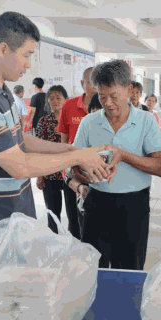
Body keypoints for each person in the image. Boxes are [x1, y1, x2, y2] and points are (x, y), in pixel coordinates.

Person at [0, 11, 110, 261]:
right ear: (3, 49)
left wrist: (70, 150)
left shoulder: (1, 93)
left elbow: (21, 140)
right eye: (26, 55)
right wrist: (78, 157)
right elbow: (19, 165)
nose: (28, 64)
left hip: (12, 218)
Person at [71, 59, 161, 270]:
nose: (107, 103)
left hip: (133, 206)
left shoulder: (146, 121)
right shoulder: (89, 123)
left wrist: (123, 155)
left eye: (113, 96)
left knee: (130, 267)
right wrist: (85, 174)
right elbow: (74, 166)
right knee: (94, 267)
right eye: (102, 96)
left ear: (129, 89)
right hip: (97, 203)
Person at [57, 67, 97, 239]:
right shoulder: (69, 106)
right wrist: (65, 171)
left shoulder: (107, 107)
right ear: (82, 84)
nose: (96, 87)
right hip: (73, 174)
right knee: (74, 222)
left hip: (97, 174)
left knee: (94, 224)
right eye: (91, 82)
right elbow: (63, 142)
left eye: (99, 83)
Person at [64, 93, 103, 237]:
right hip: (88, 203)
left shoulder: (117, 143)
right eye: (94, 113)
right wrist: (79, 186)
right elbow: (67, 175)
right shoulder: (81, 141)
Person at [36, 85, 69, 233]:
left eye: (58, 97)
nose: (55, 101)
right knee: (53, 213)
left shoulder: (72, 121)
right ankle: (54, 242)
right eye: (52, 98)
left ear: (65, 100)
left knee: (73, 213)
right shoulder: (44, 121)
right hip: (49, 171)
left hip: (70, 173)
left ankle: (73, 243)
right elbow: (38, 150)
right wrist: (39, 175)